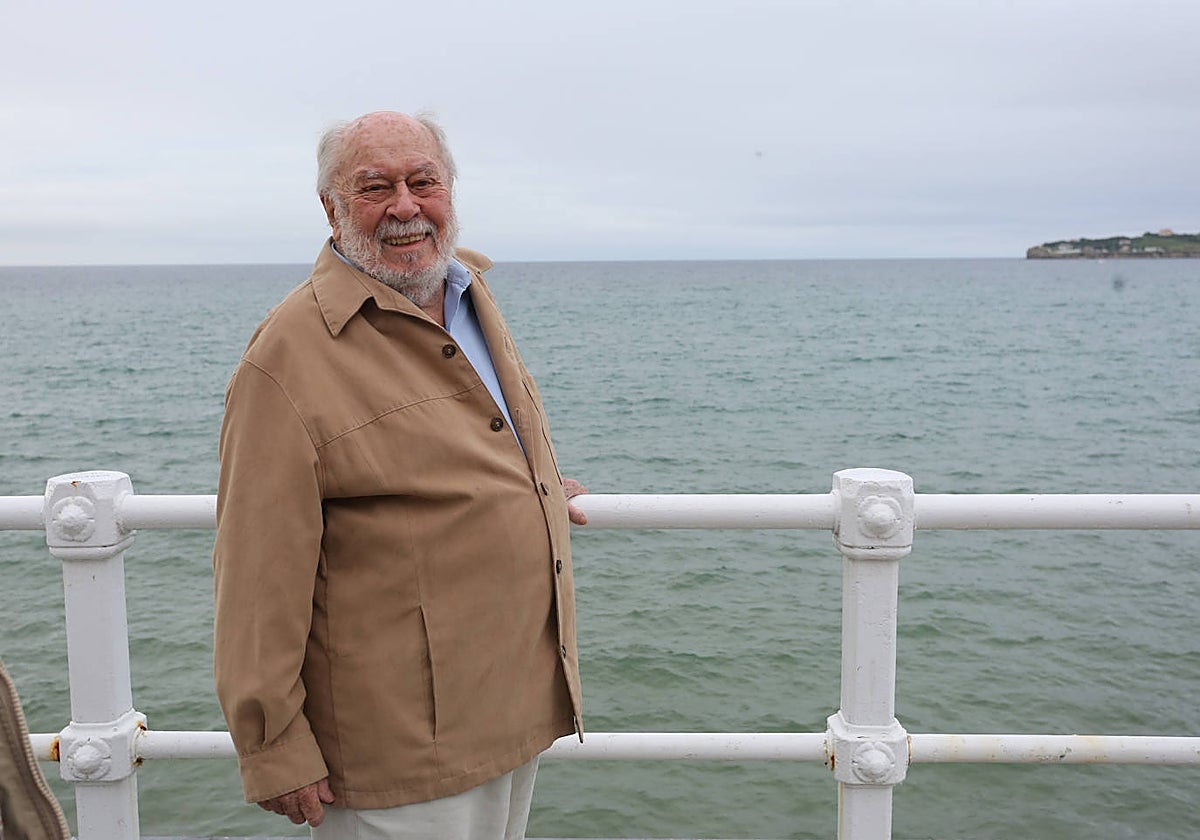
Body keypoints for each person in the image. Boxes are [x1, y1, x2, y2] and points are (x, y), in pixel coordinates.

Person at [213, 110, 586, 840]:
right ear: (331, 208)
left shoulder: (466, 290)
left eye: (423, 182)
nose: (406, 207)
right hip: (395, 745)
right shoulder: (288, 356)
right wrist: (273, 745)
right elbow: (256, 569)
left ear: (450, 188)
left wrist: (535, 487)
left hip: (509, 708)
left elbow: (458, 430)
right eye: (375, 187)